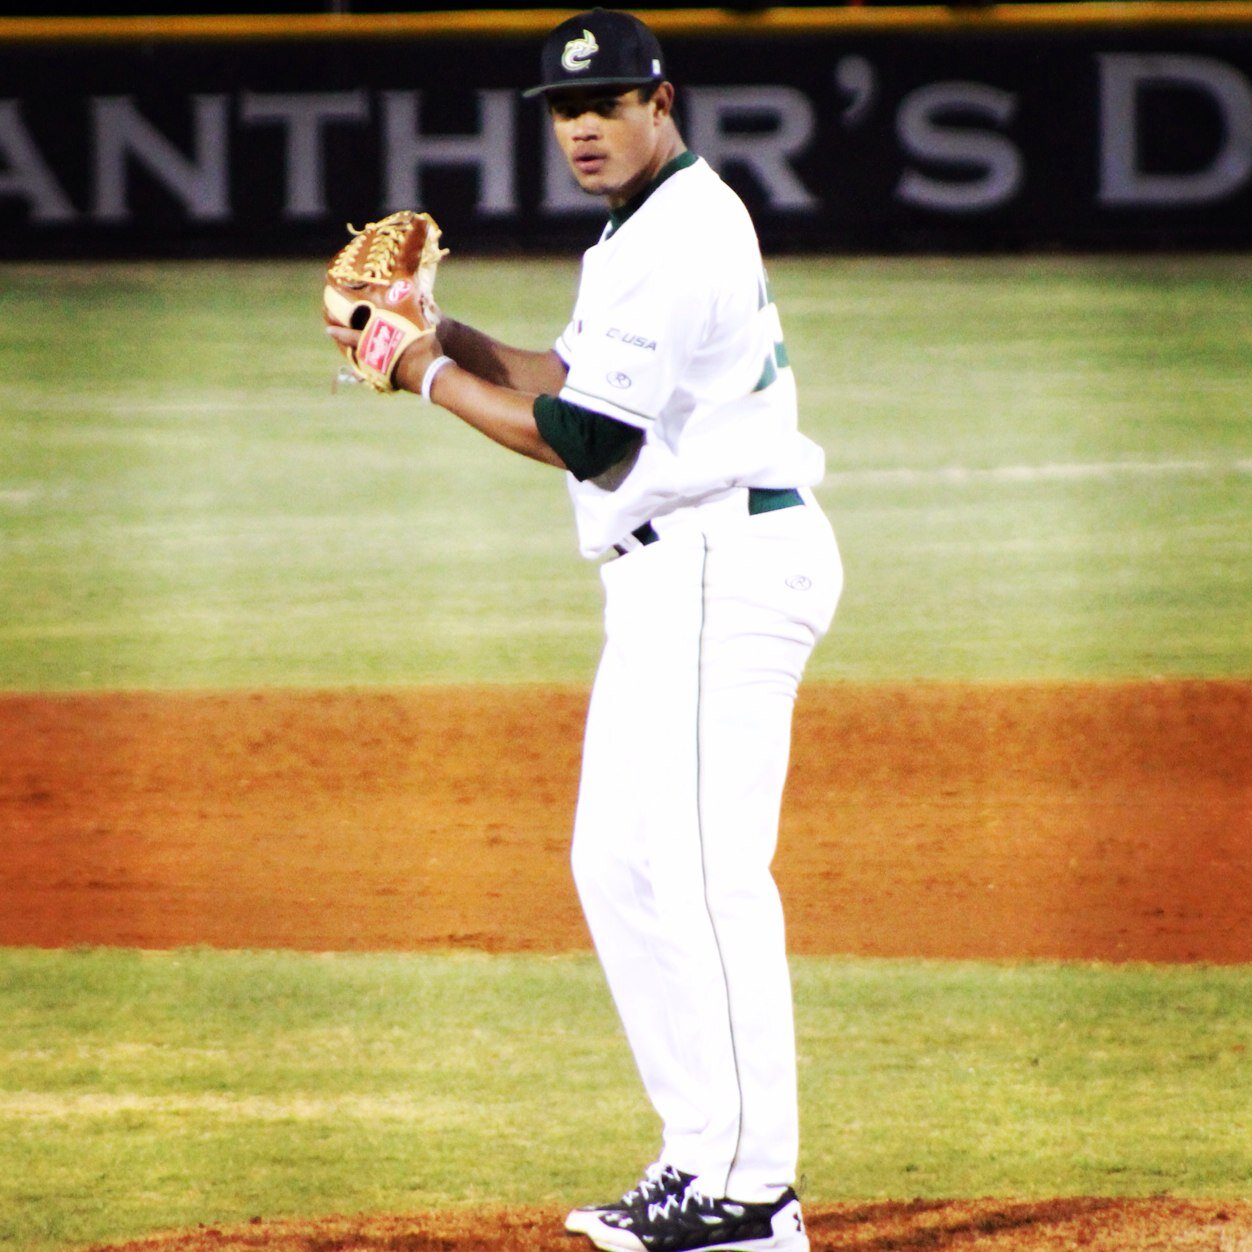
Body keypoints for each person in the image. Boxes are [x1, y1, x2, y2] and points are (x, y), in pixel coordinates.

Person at [328, 9, 842, 1250]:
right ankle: (697, 1155)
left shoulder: (678, 233)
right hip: (674, 573)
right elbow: (568, 377)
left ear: (661, 101)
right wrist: (439, 331)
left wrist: (416, 371)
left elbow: (584, 441)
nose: (582, 129)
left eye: (606, 103)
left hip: (724, 562)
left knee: (707, 878)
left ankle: (748, 1192)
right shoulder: (639, 229)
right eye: (565, 110)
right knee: (615, 864)